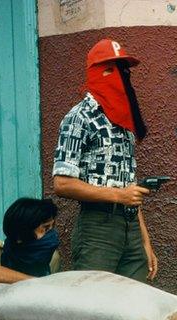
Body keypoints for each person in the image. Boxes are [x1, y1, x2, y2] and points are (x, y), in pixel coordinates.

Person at [52, 39, 157, 282]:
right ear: (96, 73)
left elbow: (130, 187)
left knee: (133, 305)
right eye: (111, 69)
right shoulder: (79, 117)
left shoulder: (124, 123)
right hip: (97, 226)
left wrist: (145, 241)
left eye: (124, 69)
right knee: (93, 305)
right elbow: (62, 184)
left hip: (130, 227)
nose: (121, 76)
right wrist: (119, 196)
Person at [0, 198, 60, 283]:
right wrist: (35, 282)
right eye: (45, 228)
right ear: (21, 235)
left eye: (52, 227)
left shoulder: (52, 258)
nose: (52, 234)